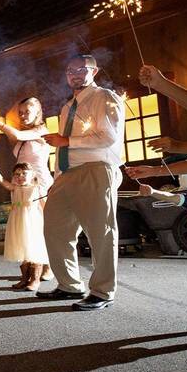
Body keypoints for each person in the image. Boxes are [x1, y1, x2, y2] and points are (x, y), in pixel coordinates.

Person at [38, 54, 125, 311]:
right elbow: (61, 147)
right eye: (69, 70)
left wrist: (66, 142)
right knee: (55, 229)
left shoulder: (105, 97)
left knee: (101, 232)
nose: (74, 74)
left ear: (94, 71)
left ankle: (102, 291)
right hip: (67, 174)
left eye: (80, 69)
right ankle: (68, 284)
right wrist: (56, 178)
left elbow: (108, 137)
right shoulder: (67, 107)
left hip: (96, 169)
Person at [0, 163, 49, 291]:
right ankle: (24, 278)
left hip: (32, 222)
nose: (20, 176)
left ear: (32, 175)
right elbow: (4, 183)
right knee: (22, 248)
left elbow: (43, 205)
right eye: (17, 174)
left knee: (33, 249)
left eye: (24, 173)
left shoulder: (36, 188)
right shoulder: (15, 188)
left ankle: (35, 280)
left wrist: (49, 220)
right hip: (18, 221)